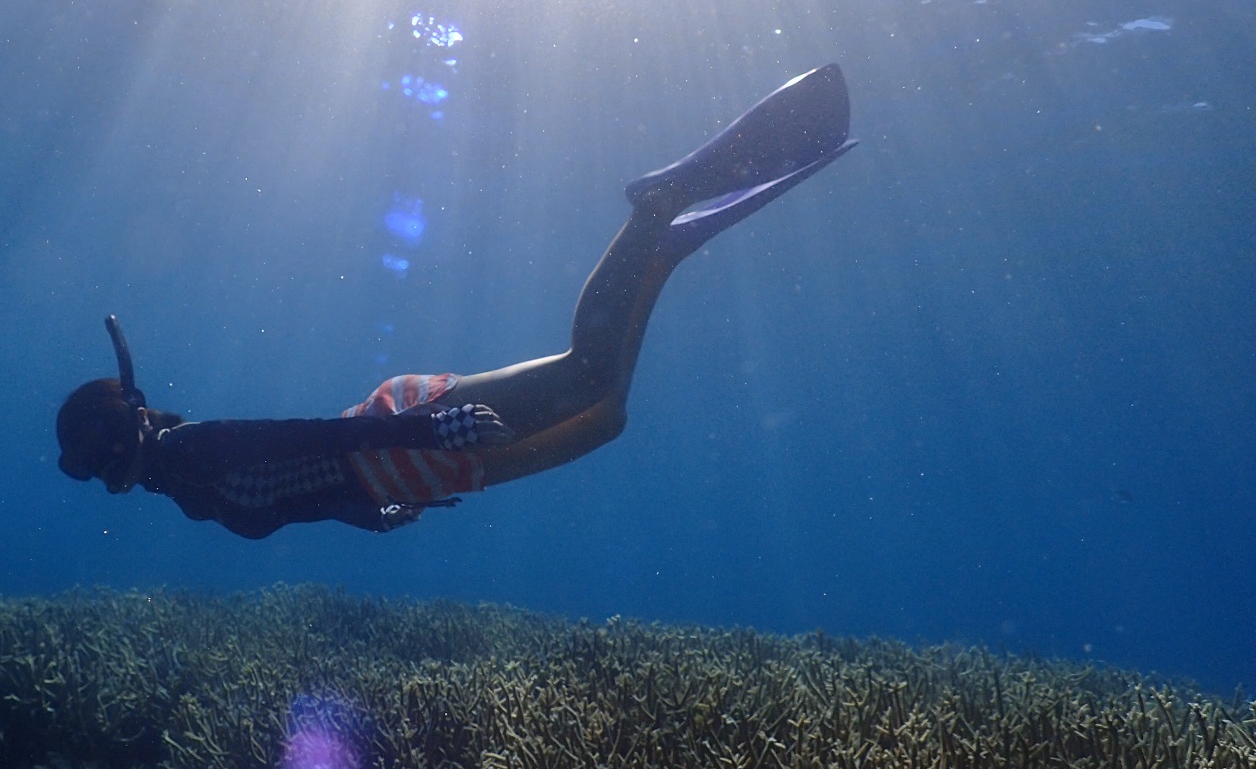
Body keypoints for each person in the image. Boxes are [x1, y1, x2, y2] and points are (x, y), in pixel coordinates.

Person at [57, 64, 856, 539]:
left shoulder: (192, 452)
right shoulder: (179, 480)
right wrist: (370, 515)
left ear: (118, 436)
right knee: (603, 417)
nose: (96, 477)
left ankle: (654, 210)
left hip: (394, 437)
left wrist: (424, 429)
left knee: (584, 375)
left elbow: (303, 438)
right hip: (396, 470)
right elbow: (305, 490)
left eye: (91, 461)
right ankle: (653, 260)